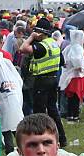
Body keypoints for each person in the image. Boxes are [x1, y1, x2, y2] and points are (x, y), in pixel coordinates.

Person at [20, 17, 66, 147]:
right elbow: (62, 62)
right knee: (53, 110)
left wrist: (31, 37)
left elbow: (23, 48)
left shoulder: (41, 46)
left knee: (39, 111)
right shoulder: (53, 43)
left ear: (40, 32)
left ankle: (40, 138)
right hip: (53, 79)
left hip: (42, 81)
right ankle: (61, 138)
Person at [59, 29, 84, 122]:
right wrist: (79, 66)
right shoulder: (77, 47)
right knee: (75, 96)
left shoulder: (69, 47)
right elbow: (76, 59)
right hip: (76, 76)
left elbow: (64, 58)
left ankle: (70, 115)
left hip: (70, 75)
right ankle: (75, 115)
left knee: (71, 97)